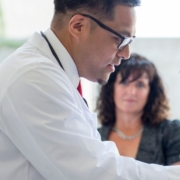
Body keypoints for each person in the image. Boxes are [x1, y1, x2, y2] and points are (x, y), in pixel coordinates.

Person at [0, 0, 179, 179]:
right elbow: (93, 173)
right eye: (120, 39)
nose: (126, 54)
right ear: (78, 26)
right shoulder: (34, 77)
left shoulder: (56, 75)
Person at [97, 53, 180, 166]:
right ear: (112, 88)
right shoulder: (95, 136)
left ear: (151, 92)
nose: (131, 92)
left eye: (140, 85)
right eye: (124, 82)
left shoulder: (171, 132)